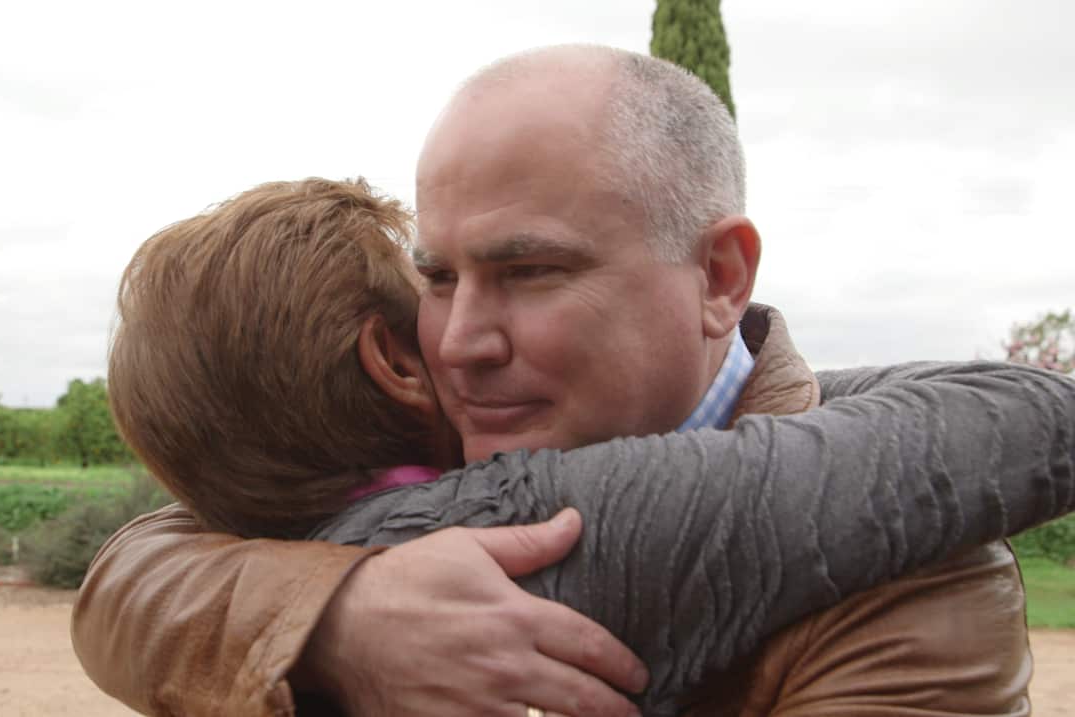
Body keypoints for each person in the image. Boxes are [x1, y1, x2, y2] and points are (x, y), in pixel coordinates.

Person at [73, 46, 1065, 715]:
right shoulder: (380, 495)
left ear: (717, 278)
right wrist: (335, 619)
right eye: (436, 276)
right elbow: (139, 562)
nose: (458, 342)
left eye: (530, 273)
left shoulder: (911, 586)